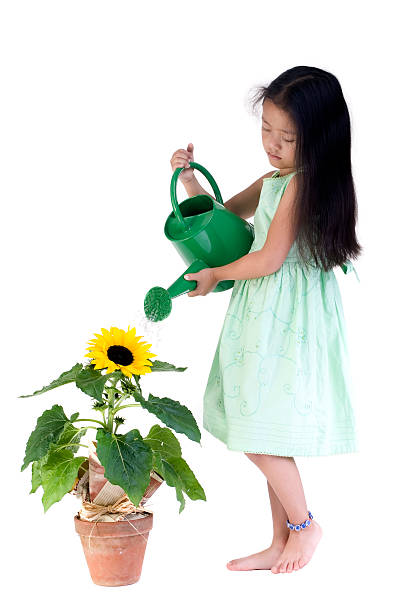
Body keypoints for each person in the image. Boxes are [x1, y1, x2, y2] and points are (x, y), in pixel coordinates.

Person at [170, 66, 362, 575]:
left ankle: (304, 527)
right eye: (266, 130)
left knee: (257, 430)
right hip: (262, 312)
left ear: (318, 140)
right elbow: (226, 216)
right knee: (265, 426)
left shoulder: (303, 186)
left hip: (286, 317)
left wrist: (215, 275)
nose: (272, 145)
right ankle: (279, 540)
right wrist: (189, 179)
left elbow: (270, 258)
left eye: (287, 137)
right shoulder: (277, 178)